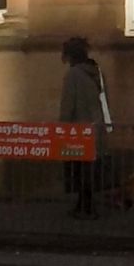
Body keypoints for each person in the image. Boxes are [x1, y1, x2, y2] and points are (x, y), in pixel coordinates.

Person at [58, 36, 109, 219]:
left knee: (79, 171)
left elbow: (68, 105)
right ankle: (85, 205)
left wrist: (62, 128)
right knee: (89, 170)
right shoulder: (97, 73)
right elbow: (104, 101)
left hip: (78, 131)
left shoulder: (73, 75)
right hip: (96, 128)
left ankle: (84, 208)